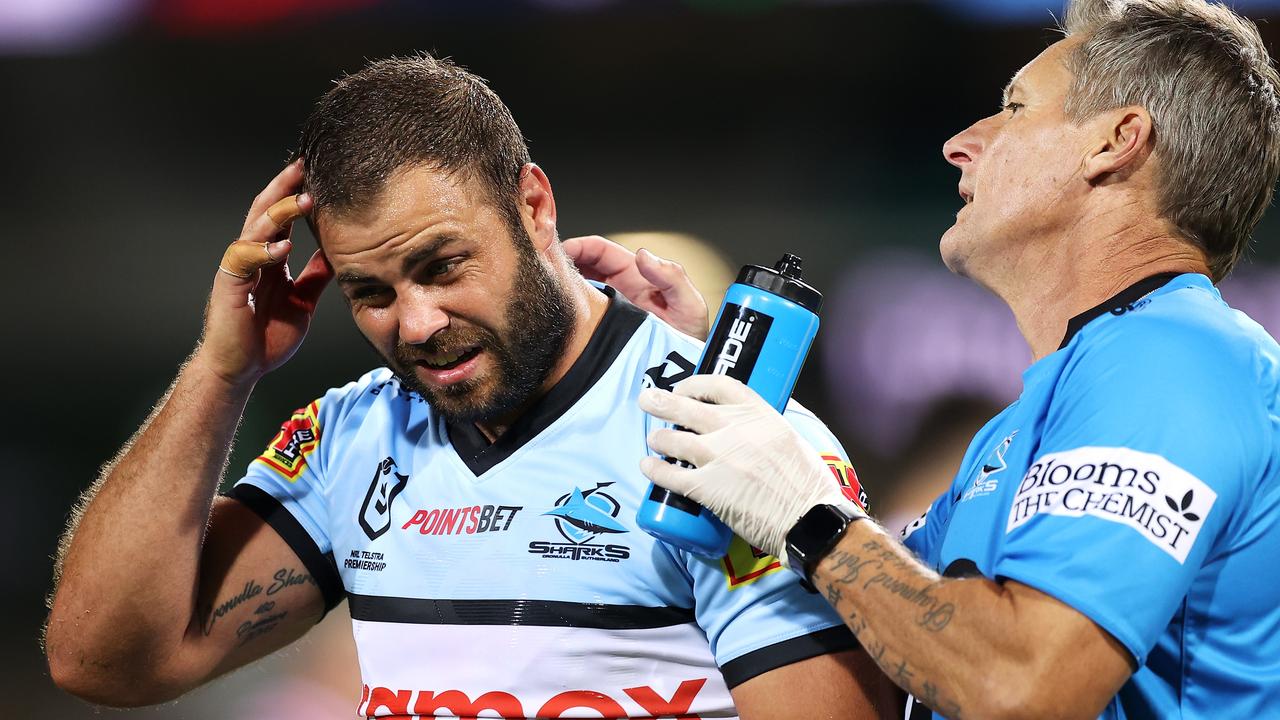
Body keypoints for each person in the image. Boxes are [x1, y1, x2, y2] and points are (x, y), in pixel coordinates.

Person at [42, 54, 896, 719]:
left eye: (441, 266)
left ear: (533, 205)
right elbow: (103, 660)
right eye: (370, 293)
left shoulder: (731, 442)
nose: (414, 324)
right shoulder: (351, 441)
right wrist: (221, 371)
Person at [571, 1, 1280, 718]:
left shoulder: (1174, 363)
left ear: (1115, 142)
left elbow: (1018, 687)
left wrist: (807, 517)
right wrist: (720, 370)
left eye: (1013, 108)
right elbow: (904, 626)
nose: (960, 143)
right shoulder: (1037, 415)